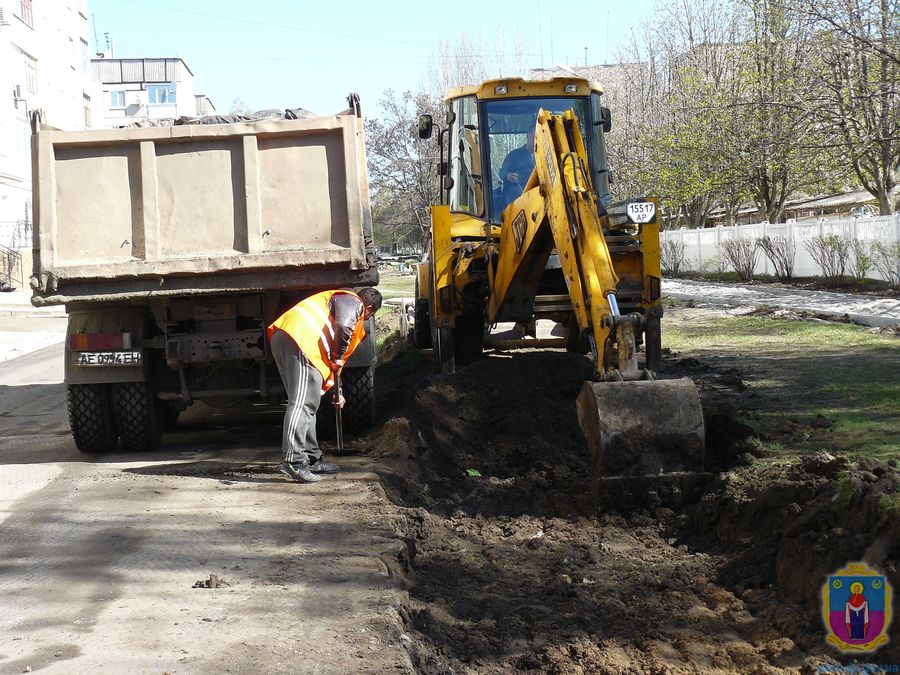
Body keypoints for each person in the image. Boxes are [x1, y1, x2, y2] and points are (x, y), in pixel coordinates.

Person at [267, 287, 383, 483]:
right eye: (368, 316)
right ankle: (294, 461)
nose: (364, 320)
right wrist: (337, 356)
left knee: (309, 403)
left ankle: (312, 458)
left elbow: (336, 363)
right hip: (301, 341)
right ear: (369, 308)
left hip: (291, 339)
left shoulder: (337, 306)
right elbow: (344, 326)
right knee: (302, 404)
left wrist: (338, 392)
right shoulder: (352, 301)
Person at [499, 126, 536, 197]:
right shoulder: (514, 155)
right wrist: (507, 175)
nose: (535, 141)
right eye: (533, 138)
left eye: (537, 138)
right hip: (518, 195)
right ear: (528, 136)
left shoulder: (543, 156)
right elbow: (502, 172)